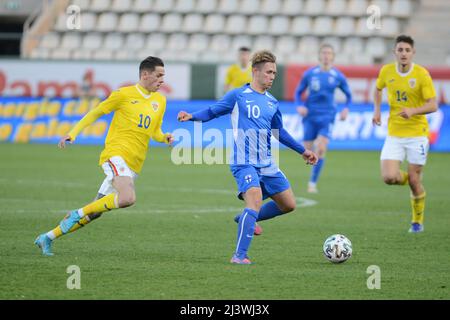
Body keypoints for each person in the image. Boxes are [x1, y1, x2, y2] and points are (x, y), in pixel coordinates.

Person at [178, 50, 318, 264]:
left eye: (275, 73)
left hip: (268, 163)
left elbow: (279, 132)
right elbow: (213, 111)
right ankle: (239, 256)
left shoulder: (272, 102)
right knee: (254, 200)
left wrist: (303, 150)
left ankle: (244, 218)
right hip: (244, 162)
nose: (272, 76)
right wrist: (191, 117)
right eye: (269, 72)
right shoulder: (238, 96)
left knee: (288, 204)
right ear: (255, 71)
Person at [34, 56, 174, 256]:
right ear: (145, 74)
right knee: (127, 198)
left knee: (95, 211)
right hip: (116, 155)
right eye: (159, 75)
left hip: (134, 164)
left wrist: (165, 137)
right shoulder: (124, 94)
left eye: (164, 76)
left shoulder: (160, 101)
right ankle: (77, 213)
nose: (162, 80)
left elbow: (154, 131)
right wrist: (72, 133)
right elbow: (95, 113)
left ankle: (47, 237)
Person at [372, 35, 437, 233]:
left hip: (417, 134)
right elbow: (378, 88)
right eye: (400, 50)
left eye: (407, 50)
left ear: (413, 53)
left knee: (415, 182)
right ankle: (412, 178)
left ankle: (417, 222)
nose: (403, 53)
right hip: (394, 133)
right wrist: (376, 111)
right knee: (388, 177)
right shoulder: (387, 71)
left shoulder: (421, 75)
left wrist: (412, 111)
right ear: (395, 52)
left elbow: (433, 104)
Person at [294, 44, 352, 193]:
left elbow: (348, 95)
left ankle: (312, 183)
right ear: (319, 56)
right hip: (310, 116)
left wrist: (346, 108)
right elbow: (298, 92)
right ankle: (314, 156)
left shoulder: (337, 76)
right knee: (307, 151)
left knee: (321, 147)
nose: (326, 56)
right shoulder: (309, 74)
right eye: (324, 53)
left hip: (327, 116)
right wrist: (299, 105)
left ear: (333, 57)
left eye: (329, 53)